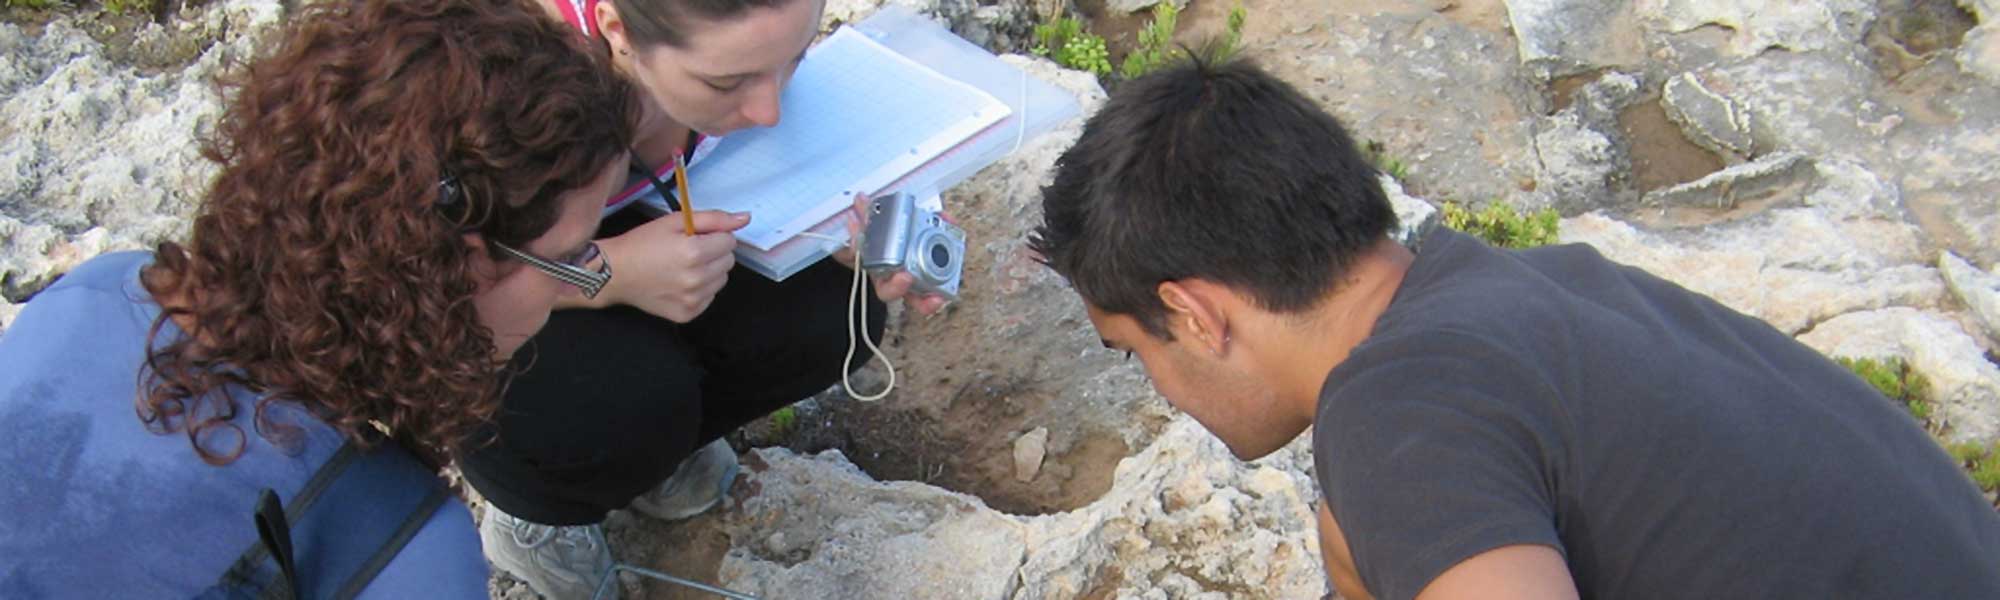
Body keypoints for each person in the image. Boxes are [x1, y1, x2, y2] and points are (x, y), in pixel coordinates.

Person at [1028, 56, 2000, 600]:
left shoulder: (1395, 413)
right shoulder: (1526, 296)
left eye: (1134, 351)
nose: (1154, 384)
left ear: (1192, 315)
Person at [0, 0, 637, 596]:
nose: (577, 283)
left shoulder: (103, 286)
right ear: (461, 263)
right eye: (568, 258)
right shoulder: (404, 549)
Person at [462, 0, 947, 597]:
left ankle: (660, 452)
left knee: (833, 308)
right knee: (615, 408)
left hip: (647, 227)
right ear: (618, 31)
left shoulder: (727, 64)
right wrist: (612, 273)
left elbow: (800, 127)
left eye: (793, 59)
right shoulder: (491, 89)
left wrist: (871, 205)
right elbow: (429, 290)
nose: (767, 110)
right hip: (518, 292)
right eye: (727, 81)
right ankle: (536, 509)